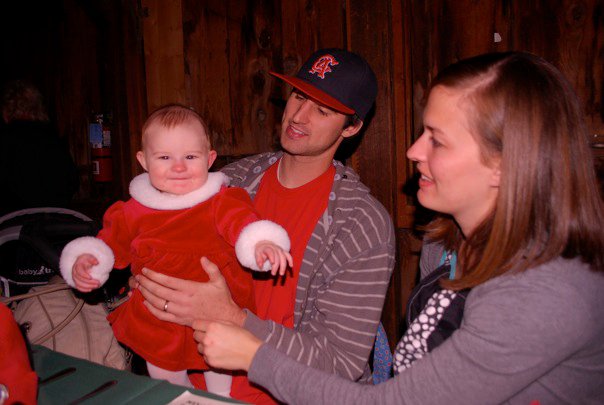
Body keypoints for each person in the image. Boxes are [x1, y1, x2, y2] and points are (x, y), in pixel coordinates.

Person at [193, 51, 604, 404]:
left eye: (437, 140)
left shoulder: (544, 293)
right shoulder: (446, 246)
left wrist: (253, 352)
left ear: (503, 162)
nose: (412, 151)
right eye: (423, 132)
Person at [134, 49, 396, 403]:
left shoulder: (362, 224)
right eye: (299, 96)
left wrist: (235, 319)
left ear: (351, 127)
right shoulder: (231, 181)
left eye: (322, 110)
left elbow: (339, 362)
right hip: (188, 386)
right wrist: (148, 281)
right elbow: (156, 241)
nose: (299, 116)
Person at [58, 104, 292, 396]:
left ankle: (219, 399)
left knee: (218, 368)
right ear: (144, 161)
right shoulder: (131, 211)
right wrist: (88, 261)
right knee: (165, 374)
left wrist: (262, 242)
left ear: (210, 159)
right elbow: (109, 244)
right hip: (159, 315)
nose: (179, 167)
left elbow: (242, 223)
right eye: (165, 157)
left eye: (190, 157)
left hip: (215, 311)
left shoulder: (221, 200)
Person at [0, 79, 79, 216]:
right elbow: (72, 181)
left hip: (13, 224)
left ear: (6, 111)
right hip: (54, 223)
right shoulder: (54, 140)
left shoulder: (5, 141)